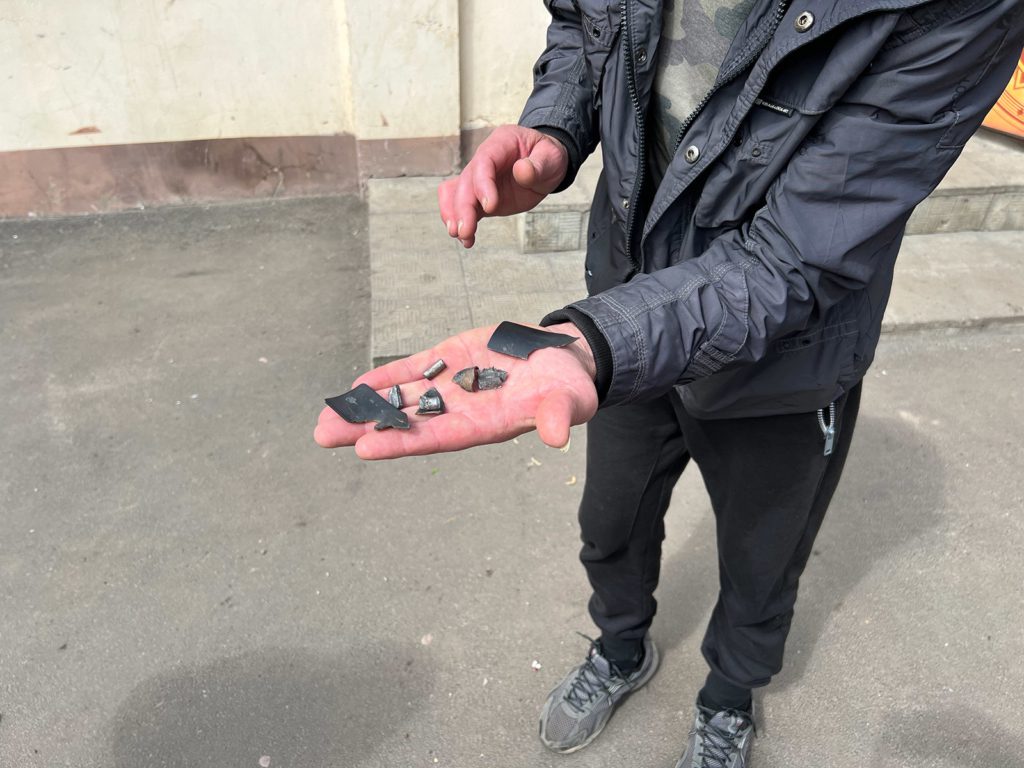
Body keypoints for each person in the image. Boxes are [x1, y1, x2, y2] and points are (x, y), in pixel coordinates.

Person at [316, 0, 1024, 764]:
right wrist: (554, 129)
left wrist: (593, 345)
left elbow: (796, 254)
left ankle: (727, 699)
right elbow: (586, 28)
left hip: (783, 360)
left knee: (762, 566)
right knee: (610, 525)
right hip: (626, 298)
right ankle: (620, 650)